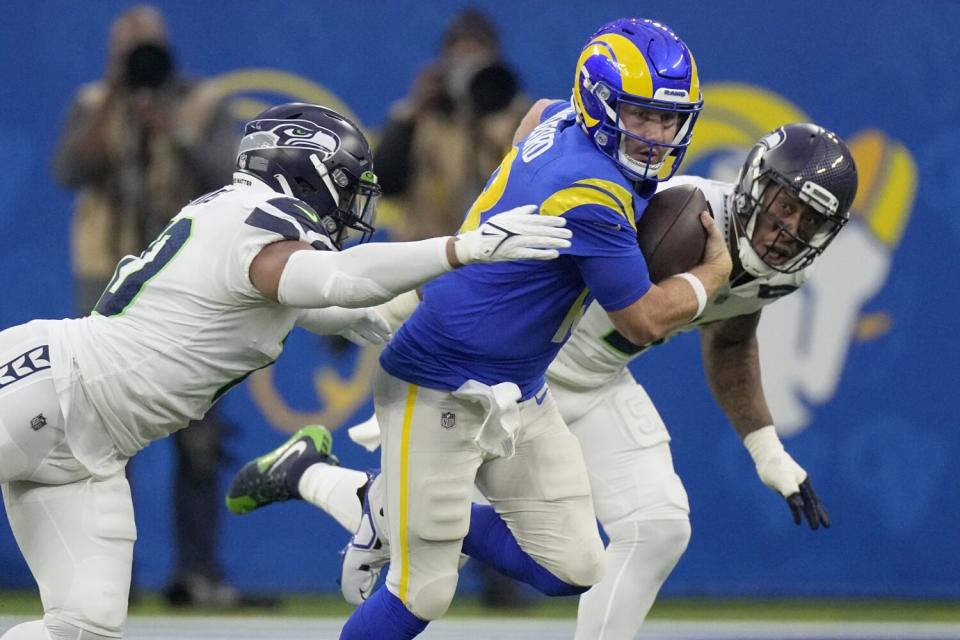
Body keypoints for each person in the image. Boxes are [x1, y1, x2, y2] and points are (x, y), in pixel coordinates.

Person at [231, 121, 855, 637]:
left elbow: (732, 337)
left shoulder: (784, 270)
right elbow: (624, 305)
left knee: (658, 527)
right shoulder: (677, 214)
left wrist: (765, 447)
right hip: (513, 369)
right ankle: (321, 473)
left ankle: (348, 490)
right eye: (785, 208)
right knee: (428, 554)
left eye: (809, 224)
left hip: (597, 381)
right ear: (755, 186)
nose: (789, 232)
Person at [231, 18, 724, 640]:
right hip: (435, 380)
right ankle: (393, 508)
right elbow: (645, 318)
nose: (656, 134)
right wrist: (713, 272)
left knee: (578, 565)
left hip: (519, 386)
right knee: (421, 593)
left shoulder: (561, 121)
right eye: (639, 115)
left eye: (667, 118)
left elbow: (537, 114)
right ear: (599, 104)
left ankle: (380, 503)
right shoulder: (594, 190)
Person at [0, 101, 569, 640]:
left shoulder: (252, 229)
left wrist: (416, 309)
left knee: (82, 628)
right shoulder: (258, 218)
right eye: (347, 188)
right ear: (307, 173)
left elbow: (339, 305)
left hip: (90, 455)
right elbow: (337, 280)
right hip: (47, 388)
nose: (353, 208)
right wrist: (463, 248)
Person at [50, 5, 252, 607]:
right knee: (105, 430)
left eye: (147, 49)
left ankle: (198, 572)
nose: (139, 59)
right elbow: (69, 168)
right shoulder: (94, 104)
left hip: (187, 287)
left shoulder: (199, 103)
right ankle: (112, 578)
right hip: (104, 280)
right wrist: (115, 99)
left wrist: (176, 132)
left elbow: (231, 174)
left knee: (199, 432)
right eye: (127, 49)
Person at [374, 8, 529, 241]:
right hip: (427, 255)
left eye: (476, 56)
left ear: (494, 61)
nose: (467, 66)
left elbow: (532, 186)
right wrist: (412, 112)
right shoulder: (423, 115)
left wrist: (490, 130)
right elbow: (384, 183)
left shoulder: (517, 114)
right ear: (444, 61)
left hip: (498, 251)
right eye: (460, 56)